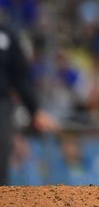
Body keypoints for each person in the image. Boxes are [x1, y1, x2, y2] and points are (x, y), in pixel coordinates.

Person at [0, 25, 58, 184]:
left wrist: (35, 110)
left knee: (1, 149)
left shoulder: (6, 35)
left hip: (1, 103)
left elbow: (20, 77)